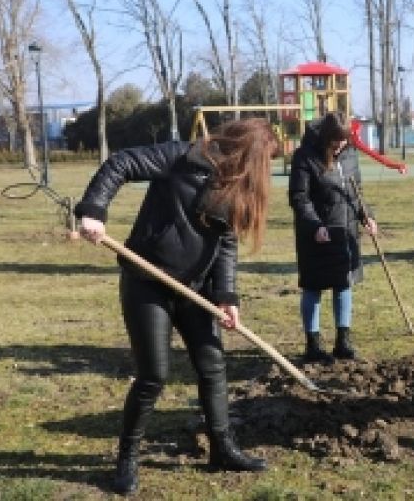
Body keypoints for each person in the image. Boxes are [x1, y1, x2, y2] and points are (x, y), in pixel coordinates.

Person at [74, 118, 280, 495]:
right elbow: (120, 164)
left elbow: (226, 245)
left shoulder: (234, 185)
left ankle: (222, 448)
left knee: (213, 366)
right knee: (154, 375)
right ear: (247, 152)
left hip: (196, 290)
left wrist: (227, 297)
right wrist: (94, 210)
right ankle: (127, 460)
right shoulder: (180, 158)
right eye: (264, 161)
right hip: (147, 283)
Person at [288, 112, 376, 364]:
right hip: (316, 233)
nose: (340, 146)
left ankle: (343, 342)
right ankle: (313, 345)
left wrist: (366, 216)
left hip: (345, 232)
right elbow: (299, 198)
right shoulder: (305, 156)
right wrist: (315, 225)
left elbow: (356, 192)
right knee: (313, 287)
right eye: (335, 141)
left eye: (344, 141)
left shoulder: (349, 155)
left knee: (343, 284)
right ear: (326, 137)